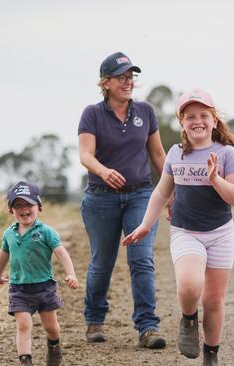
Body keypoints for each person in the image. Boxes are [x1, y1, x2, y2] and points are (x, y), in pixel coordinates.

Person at [123, 88, 234, 366]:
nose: (197, 121)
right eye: (190, 116)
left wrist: (215, 180)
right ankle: (189, 319)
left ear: (214, 120)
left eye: (204, 115)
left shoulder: (226, 154)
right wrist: (145, 224)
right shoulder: (176, 154)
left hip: (220, 234)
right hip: (186, 232)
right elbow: (161, 192)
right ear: (182, 122)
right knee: (190, 286)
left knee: (214, 300)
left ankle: (211, 354)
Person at [77, 51, 167, 349]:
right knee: (102, 262)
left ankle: (148, 327)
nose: (128, 82)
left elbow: (157, 155)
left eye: (131, 77)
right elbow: (85, 155)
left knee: (142, 260)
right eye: (121, 77)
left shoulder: (146, 112)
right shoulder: (92, 113)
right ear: (105, 82)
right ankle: (95, 319)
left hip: (141, 194)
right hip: (101, 198)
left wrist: (172, 192)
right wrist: (103, 171)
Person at [0, 181, 79, 366]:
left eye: (28, 204)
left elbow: (61, 253)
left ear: (39, 207)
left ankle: (54, 346)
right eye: (18, 205)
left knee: (51, 327)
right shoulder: (8, 233)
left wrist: (71, 273)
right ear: (11, 211)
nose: (23, 209)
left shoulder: (46, 232)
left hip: (44, 287)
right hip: (19, 288)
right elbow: (3, 254)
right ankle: (25, 360)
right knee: (23, 325)